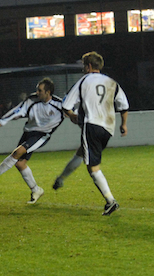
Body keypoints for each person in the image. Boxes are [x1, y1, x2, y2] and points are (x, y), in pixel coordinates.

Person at [52, 51, 129, 216]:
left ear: (88, 66)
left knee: (93, 168)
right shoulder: (111, 82)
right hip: (108, 128)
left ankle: (110, 201)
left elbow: (66, 105)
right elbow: (123, 105)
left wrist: (72, 116)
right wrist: (124, 124)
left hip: (91, 125)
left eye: (83, 66)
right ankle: (61, 179)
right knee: (82, 152)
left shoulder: (83, 81)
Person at [0, 78, 63, 203]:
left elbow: (72, 113)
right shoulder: (32, 99)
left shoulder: (59, 104)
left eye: (40, 90)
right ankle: (36, 189)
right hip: (28, 132)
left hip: (42, 135)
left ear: (48, 92)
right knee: (20, 164)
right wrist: (2, 121)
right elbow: (19, 111)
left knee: (17, 152)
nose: (37, 92)